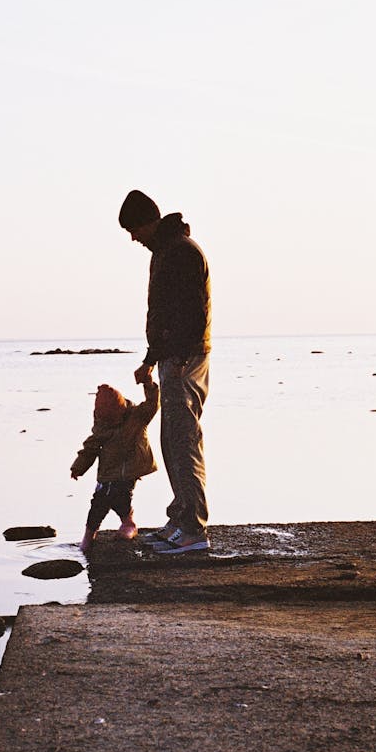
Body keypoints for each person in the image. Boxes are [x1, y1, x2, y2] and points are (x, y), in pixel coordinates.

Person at [118, 189, 211, 554]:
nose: (132, 238)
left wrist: (174, 355)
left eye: (133, 229)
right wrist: (151, 358)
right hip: (174, 357)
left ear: (148, 221)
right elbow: (163, 314)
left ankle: (193, 529)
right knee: (172, 440)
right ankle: (180, 519)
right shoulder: (166, 252)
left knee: (183, 440)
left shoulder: (182, 252)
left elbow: (191, 313)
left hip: (185, 359)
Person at [71, 379, 159, 556]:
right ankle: (89, 535)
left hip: (130, 469)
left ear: (121, 409)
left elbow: (153, 403)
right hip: (108, 471)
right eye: (106, 420)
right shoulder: (102, 425)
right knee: (99, 501)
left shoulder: (137, 416)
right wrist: (78, 468)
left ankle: (128, 524)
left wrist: (149, 385)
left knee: (120, 496)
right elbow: (90, 448)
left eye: (113, 419)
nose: (111, 422)